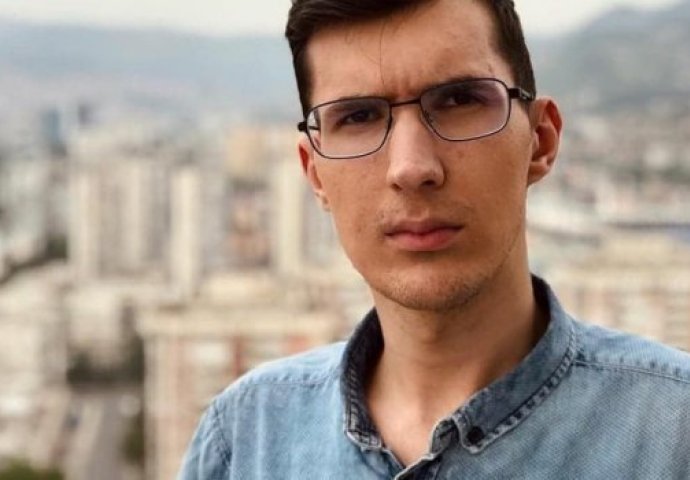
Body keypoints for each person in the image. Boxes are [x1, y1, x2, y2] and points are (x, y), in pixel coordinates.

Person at [179, 0, 690, 478]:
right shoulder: (246, 438)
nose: (411, 167)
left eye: (459, 99)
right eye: (358, 116)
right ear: (315, 174)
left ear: (540, 141)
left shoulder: (673, 432)